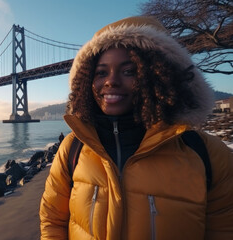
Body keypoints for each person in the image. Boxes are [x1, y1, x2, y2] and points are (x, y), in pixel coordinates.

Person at [39, 16, 233, 240]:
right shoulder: (72, 149)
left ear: (161, 75)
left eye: (129, 71)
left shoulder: (208, 154)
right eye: (101, 72)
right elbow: (52, 221)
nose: (111, 81)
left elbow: (225, 230)